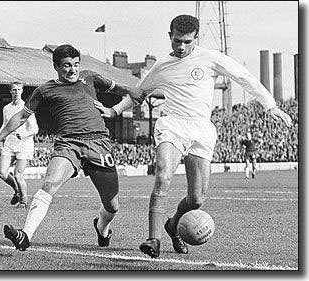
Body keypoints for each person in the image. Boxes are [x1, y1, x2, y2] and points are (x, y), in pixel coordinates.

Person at [94, 14, 292, 258]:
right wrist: (114, 110)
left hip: (201, 128)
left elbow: (244, 77)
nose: (181, 46)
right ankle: (153, 239)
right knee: (163, 177)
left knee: (197, 199)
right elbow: (139, 93)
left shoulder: (211, 59)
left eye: (187, 42)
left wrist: (269, 105)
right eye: (177, 41)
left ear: (196, 38)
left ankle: (172, 224)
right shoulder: (162, 65)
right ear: (170, 36)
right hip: (172, 125)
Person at [0, 44, 146, 251]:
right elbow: (22, 116)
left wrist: (126, 95)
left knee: (112, 205)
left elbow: (120, 88)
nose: (73, 70)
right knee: (49, 184)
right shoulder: (46, 90)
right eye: (67, 66)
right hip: (69, 144)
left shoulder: (90, 78)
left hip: (98, 143)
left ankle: (103, 228)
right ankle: (26, 235)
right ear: (56, 67)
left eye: (76, 65)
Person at [0, 81, 39, 208]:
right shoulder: (6, 108)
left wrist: (24, 135)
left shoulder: (26, 107)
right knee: (2, 173)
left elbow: (35, 129)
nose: (16, 92)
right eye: (14, 90)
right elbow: (4, 125)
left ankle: (23, 201)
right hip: (9, 143)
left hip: (24, 145)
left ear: (22, 91)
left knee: (18, 175)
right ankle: (16, 190)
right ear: (10, 91)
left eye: (18, 89)